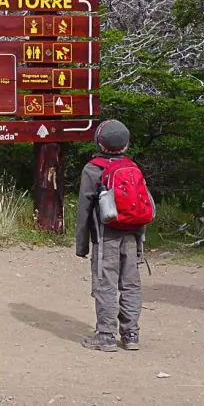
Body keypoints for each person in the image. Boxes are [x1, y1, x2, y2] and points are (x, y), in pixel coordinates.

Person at [75, 119, 144, 352]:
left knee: (105, 284)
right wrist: (141, 243)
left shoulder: (92, 169)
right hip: (132, 236)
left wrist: (82, 245)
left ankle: (105, 335)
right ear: (126, 145)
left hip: (105, 237)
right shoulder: (133, 167)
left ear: (98, 142)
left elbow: (84, 209)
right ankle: (131, 334)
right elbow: (142, 206)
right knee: (131, 285)